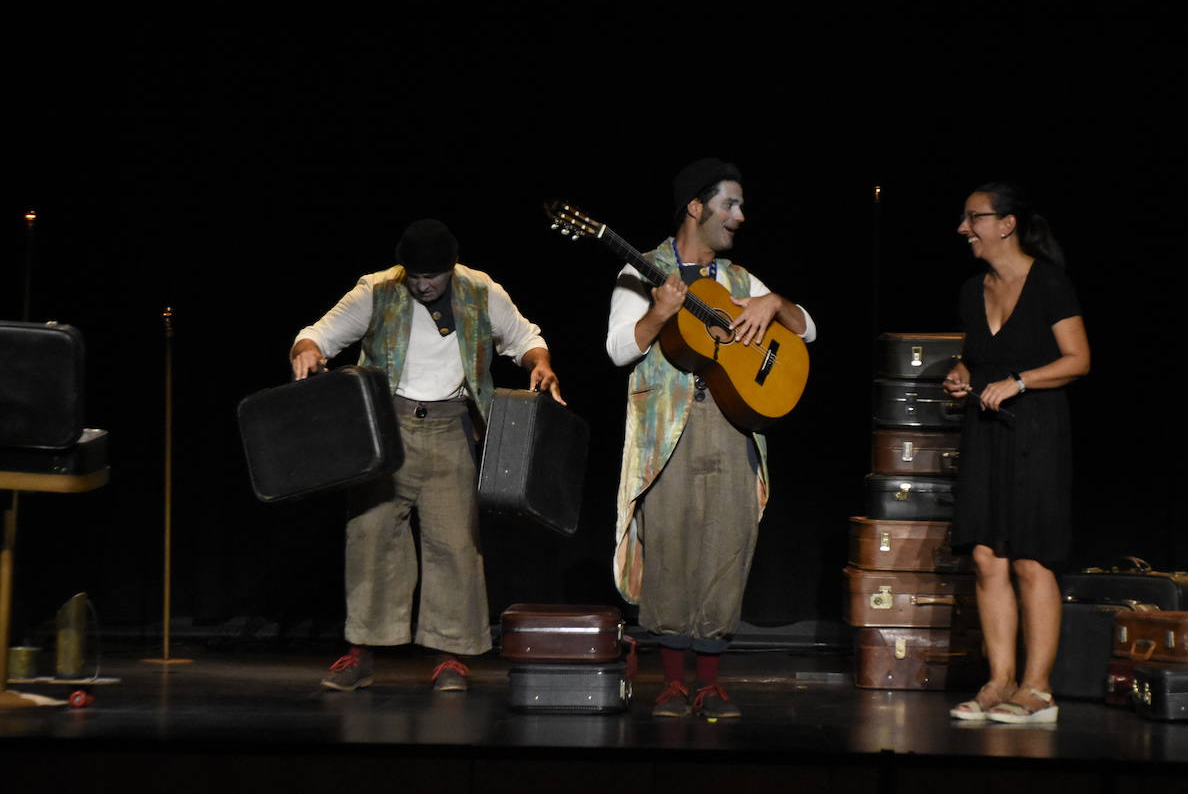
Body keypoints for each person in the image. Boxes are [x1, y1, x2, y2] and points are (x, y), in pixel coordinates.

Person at [291, 219, 563, 691]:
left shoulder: (480, 291)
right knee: (370, 537)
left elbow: (525, 337)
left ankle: (450, 656)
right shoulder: (376, 291)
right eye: (414, 276)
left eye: (432, 277)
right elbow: (318, 333)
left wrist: (540, 363)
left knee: (454, 543)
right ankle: (361, 653)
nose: (422, 285)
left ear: (450, 268)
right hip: (384, 430)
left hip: (452, 426)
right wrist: (307, 351)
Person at [606, 158, 817, 718]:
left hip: (732, 426)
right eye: (730, 204)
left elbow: (808, 328)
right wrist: (658, 315)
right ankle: (673, 683)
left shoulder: (741, 281)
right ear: (695, 208)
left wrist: (775, 304)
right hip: (669, 429)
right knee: (672, 548)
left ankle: (711, 682)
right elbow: (618, 349)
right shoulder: (645, 270)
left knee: (729, 546)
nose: (740, 216)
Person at [943, 182, 1089, 724]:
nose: (964, 229)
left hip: (1037, 432)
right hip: (987, 430)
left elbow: (1078, 360)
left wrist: (1019, 382)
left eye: (973, 218)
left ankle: (1038, 689)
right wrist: (961, 377)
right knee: (986, 557)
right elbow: (974, 359)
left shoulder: (1049, 284)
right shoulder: (970, 290)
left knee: (1030, 558)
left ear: (1006, 224)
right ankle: (999, 681)